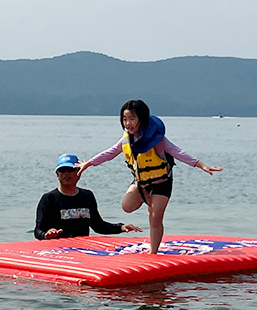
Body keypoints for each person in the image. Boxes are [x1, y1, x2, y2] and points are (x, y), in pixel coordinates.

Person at [77, 100, 222, 254]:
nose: (128, 123)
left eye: (132, 119)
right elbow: (109, 153)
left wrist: (201, 165)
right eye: (125, 119)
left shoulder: (156, 139)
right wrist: (88, 164)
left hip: (162, 182)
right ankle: (147, 198)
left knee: (155, 217)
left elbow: (178, 152)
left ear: (142, 119)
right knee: (127, 206)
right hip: (141, 182)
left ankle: (153, 251)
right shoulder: (126, 139)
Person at [35, 154, 142, 240]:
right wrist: (46, 234)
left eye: (71, 169)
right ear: (57, 174)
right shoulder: (48, 199)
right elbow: (38, 230)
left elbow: (98, 225)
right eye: (62, 170)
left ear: (79, 172)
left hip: (82, 248)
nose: (66, 174)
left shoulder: (87, 196)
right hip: (57, 250)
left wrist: (120, 227)